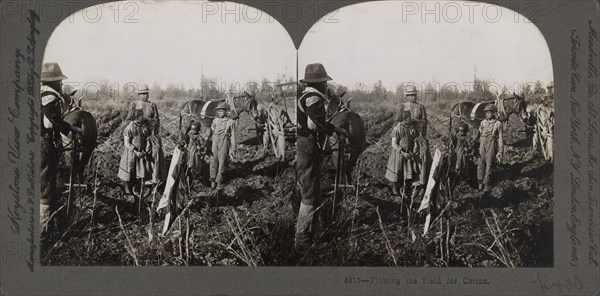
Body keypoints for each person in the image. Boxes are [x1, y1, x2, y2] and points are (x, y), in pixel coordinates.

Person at [296, 63, 349, 248]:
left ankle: (313, 233)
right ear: (318, 83)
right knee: (310, 195)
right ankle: (302, 240)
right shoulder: (314, 98)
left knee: (315, 192)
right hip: (308, 145)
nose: (326, 86)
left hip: (305, 145)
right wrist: (333, 129)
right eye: (324, 82)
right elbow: (313, 124)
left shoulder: (304, 96)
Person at [40, 62, 80, 232]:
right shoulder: (52, 97)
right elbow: (49, 123)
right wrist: (71, 128)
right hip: (43, 143)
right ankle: (44, 230)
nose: (61, 84)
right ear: (55, 81)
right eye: (60, 82)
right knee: (47, 182)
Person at [118, 109, 149, 195]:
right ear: (137, 117)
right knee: (129, 170)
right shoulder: (130, 127)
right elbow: (126, 143)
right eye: (141, 116)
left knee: (139, 170)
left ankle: (136, 188)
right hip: (131, 153)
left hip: (140, 152)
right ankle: (127, 189)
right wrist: (135, 151)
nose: (143, 117)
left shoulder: (142, 126)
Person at [385, 111, 416, 196]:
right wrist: (402, 152)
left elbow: (413, 138)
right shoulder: (398, 128)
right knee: (396, 171)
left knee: (405, 172)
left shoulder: (410, 127)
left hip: (408, 153)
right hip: (398, 154)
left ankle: (404, 189)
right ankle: (395, 190)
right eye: (409, 117)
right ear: (404, 119)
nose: (410, 119)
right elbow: (394, 144)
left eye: (410, 117)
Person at [475, 104, 504, 191]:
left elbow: (500, 138)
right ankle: (480, 182)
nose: (487, 114)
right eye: (486, 113)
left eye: (489, 112)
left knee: (489, 164)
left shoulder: (498, 124)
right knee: (480, 163)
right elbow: (478, 135)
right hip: (482, 144)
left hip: (491, 145)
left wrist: (500, 151)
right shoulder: (483, 123)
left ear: (494, 113)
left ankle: (486, 183)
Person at [209, 102, 237, 189]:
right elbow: (212, 131)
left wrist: (233, 149)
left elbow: (233, 137)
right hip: (215, 142)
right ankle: (212, 180)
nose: (220, 112)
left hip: (224, 143)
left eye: (222, 111)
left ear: (226, 111)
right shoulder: (215, 121)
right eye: (218, 111)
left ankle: (219, 182)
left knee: (222, 162)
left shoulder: (230, 122)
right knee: (213, 161)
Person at [184, 121, 209, 185]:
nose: (193, 131)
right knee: (188, 165)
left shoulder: (199, 137)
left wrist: (201, 147)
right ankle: (188, 177)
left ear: (198, 130)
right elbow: (185, 141)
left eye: (194, 130)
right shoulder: (188, 135)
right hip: (189, 152)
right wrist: (184, 144)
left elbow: (202, 144)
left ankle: (194, 176)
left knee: (195, 165)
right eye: (192, 129)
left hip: (195, 153)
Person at [145, 120, 167, 185]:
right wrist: (148, 156)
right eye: (156, 128)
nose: (157, 130)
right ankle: (155, 181)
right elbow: (148, 148)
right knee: (155, 168)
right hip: (154, 155)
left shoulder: (158, 137)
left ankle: (161, 180)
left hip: (160, 154)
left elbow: (160, 145)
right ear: (152, 129)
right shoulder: (149, 139)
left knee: (161, 167)